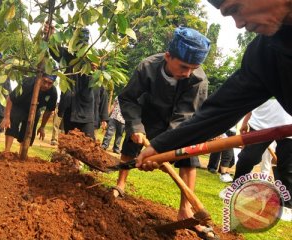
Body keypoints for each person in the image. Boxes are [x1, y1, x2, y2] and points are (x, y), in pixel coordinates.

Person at [136, 0, 292, 229]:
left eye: (236, 8)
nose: (238, 24)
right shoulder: (265, 55)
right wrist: (161, 146)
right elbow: (220, 110)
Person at [116, 27, 212, 237]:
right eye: (184, 66)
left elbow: (185, 117)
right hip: (149, 114)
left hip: (182, 123)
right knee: (131, 144)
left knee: (189, 156)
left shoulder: (198, 80)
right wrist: (136, 127)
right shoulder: (147, 67)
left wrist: (162, 150)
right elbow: (128, 98)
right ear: (168, 56)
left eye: (193, 68)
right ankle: (120, 184)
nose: (188, 73)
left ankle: (185, 210)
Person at [228, 99, 292, 221]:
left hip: (289, 124)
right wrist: (245, 121)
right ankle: (236, 189)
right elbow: (255, 96)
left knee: (287, 167)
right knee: (247, 158)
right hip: (261, 122)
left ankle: (287, 206)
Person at [47, 26, 96, 139]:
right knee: (70, 143)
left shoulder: (93, 58)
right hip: (70, 109)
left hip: (86, 110)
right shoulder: (67, 54)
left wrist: (95, 69)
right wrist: (51, 34)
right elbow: (54, 49)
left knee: (88, 144)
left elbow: (99, 76)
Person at [0, 75, 57, 152]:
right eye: (44, 81)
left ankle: (22, 154)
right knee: (12, 124)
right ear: (40, 78)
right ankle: (6, 151)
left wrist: (42, 126)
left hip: (35, 110)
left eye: (50, 83)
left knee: (30, 130)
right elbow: (10, 98)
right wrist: (6, 117)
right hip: (19, 106)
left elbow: (49, 110)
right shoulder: (28, 83)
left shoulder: (53, 92)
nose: (46, 85)